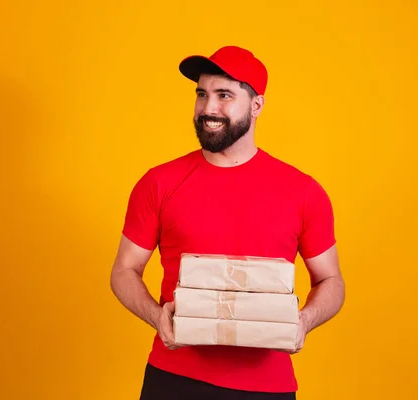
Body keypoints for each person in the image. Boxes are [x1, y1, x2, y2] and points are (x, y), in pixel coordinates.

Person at [109, 45, 346, 399]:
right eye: (202, 94)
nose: (208, 109)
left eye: (224, 95)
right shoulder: (159, 183)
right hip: (173, 379)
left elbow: (331, 280)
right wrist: (157, 316)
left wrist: (304, 321)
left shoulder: (303, 192)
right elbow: (124, 270)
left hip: (267, 386)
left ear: (256, 105)